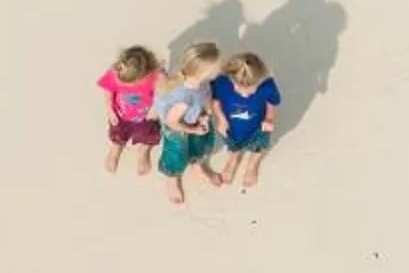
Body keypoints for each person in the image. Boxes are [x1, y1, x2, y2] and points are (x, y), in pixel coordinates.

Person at [155, 42, 227, 204]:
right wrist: (193, 130)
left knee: (200, 145)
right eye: (217, 67)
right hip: (178, 128)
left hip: (196, 118)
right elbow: (172, 122)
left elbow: (206, 96)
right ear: (203, 73)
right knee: (176, 154)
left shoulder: (203, 82)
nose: (221, 68)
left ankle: (198, 166)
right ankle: (172, 179)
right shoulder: (183, 97)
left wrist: (206, 114)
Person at [211, 52, 282, 189]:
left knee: (258, 147)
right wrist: (220, 119)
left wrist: (269, 119)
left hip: (258, 127)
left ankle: (252, 164)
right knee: (232, 144)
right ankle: (234, 158)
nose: (244, 94)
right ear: (230, 79)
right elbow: (215, 102)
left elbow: (271, 103)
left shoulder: (267, 86)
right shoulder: (222, 83)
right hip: (231, 126)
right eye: (238, 89)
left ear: (260, 79)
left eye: (250, 90)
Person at [96, 46, 162, 175]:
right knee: (117, 133)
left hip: (146, 116)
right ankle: (116, 149)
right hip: (120, 114)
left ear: (146, 73)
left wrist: (155, 108)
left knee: (148, 135)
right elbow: (108, 91)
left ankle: (143, 151)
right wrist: (110, 109)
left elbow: (162, 92)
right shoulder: (115, 73)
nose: (128, 87)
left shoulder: (155, 76)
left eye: (132, 84)